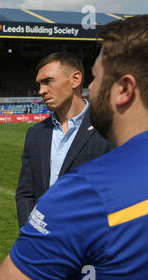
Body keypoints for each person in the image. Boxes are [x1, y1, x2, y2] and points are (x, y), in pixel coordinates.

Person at [0, 14, 148, 280]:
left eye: (97, 77)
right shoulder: (36, 134)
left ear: (125, 89)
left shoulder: (84, 192)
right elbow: (25, 192)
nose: (93, 88)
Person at [15, 52, 113, 229]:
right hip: (43, 247)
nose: (41, 91)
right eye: (39, 84)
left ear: (75, 79)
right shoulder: (35, 134)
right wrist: (31, 235)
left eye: (48, 81)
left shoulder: (107, 129)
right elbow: (25, 194)